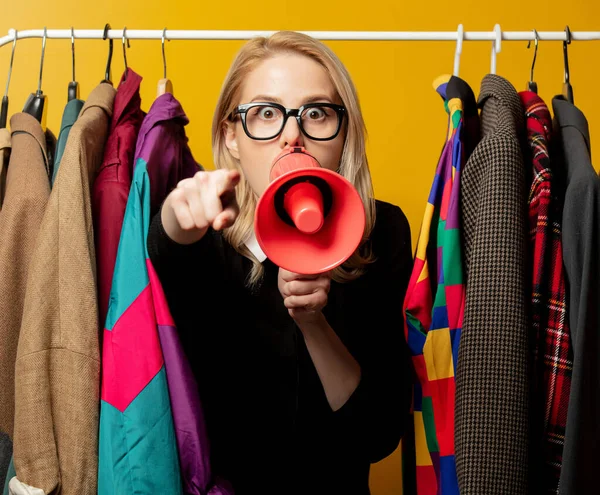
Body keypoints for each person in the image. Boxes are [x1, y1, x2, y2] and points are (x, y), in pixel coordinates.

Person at [147, 30, 413, 495]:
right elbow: (164, 250)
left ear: (342, 131)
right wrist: (175, 217)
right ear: (231, 136)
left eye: (316, 113)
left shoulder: (382, 231)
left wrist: (314, 322)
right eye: (266, 113)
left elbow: (377, 435)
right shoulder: (205, 233)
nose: (293, 135)